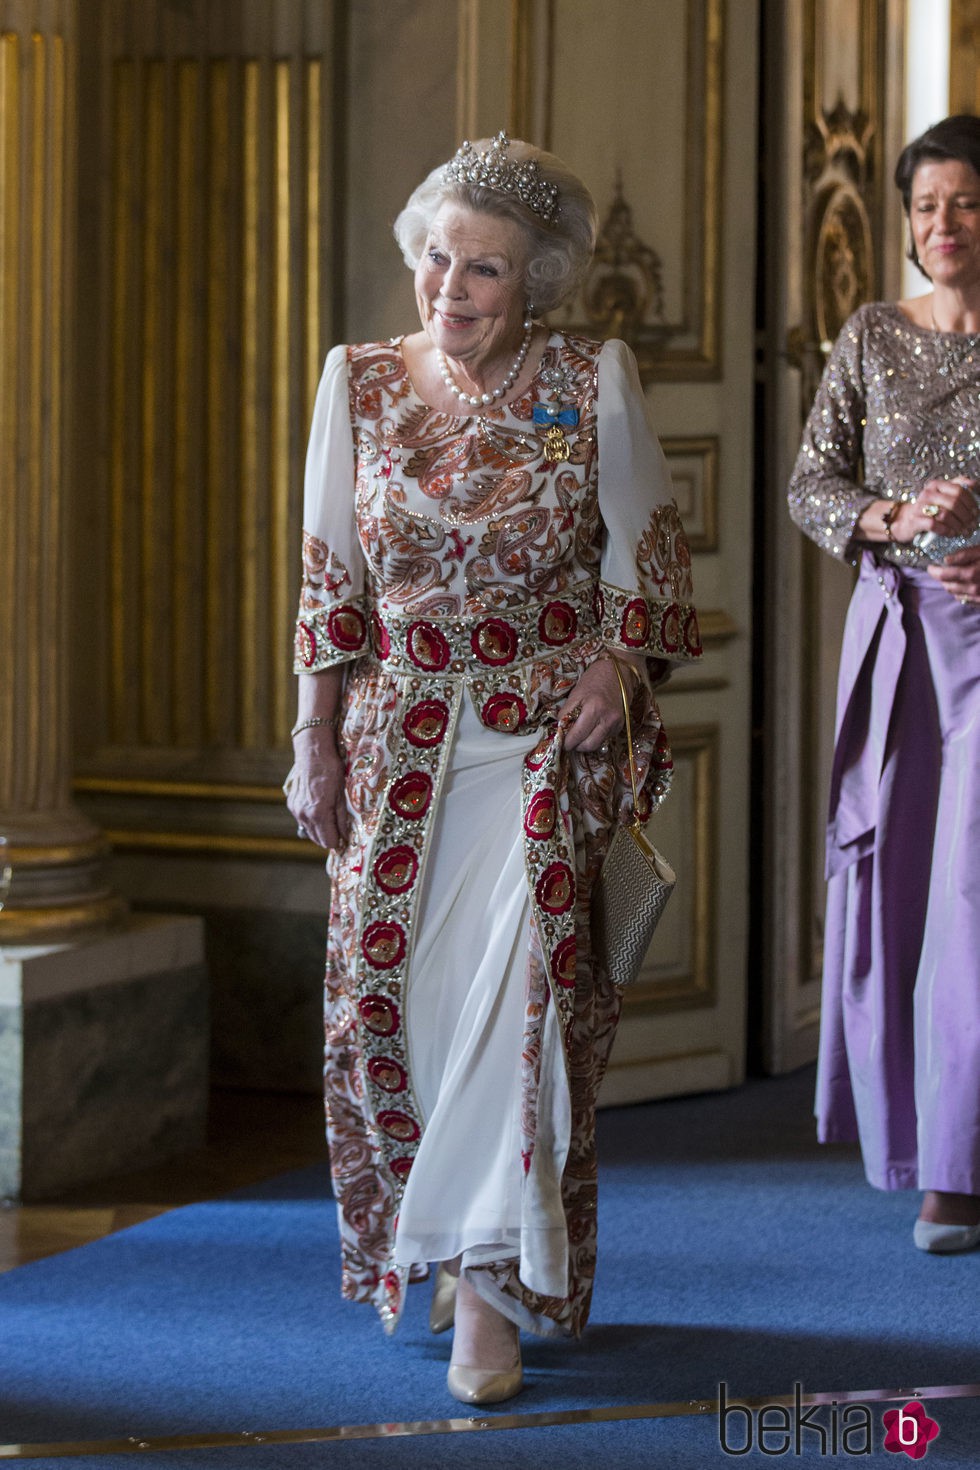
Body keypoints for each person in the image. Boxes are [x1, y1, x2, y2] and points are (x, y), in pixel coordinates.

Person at [285, 132, 701, 1404]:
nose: (449, 290)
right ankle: (429, 1237)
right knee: (385, 1007)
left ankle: (486, 1296)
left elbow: (652, 555)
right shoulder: (355, 383)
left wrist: (618, 671)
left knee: (519, 1013)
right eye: (435, 260)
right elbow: (328, 580)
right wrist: (310, 736)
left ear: (537, 283)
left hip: (538, 745)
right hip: (397, 736)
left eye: (484, 271)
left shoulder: (590, 379)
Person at [788, 114, 980, 1256]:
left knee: (969, 897)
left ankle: (953, 1174)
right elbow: (812, 481)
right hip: (896, 643)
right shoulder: (868, 334)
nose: (939, 224)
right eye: (922, 206)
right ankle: (914, 1142)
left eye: (961, 200)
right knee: (897, 887)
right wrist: (891, 517)